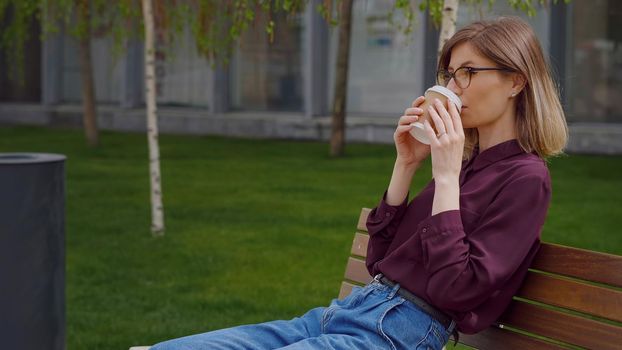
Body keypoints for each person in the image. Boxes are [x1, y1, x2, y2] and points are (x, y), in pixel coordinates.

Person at [150, 16, 568, 350]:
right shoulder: (462, 164)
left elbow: (455, 290)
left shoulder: (526, 179)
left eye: (467, 73)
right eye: (449, 74)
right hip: (347, 312)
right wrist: (405, 166)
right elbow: (379, 261)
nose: (451, 88)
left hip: (396, 332)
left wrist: (443, 177)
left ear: (516, 81)